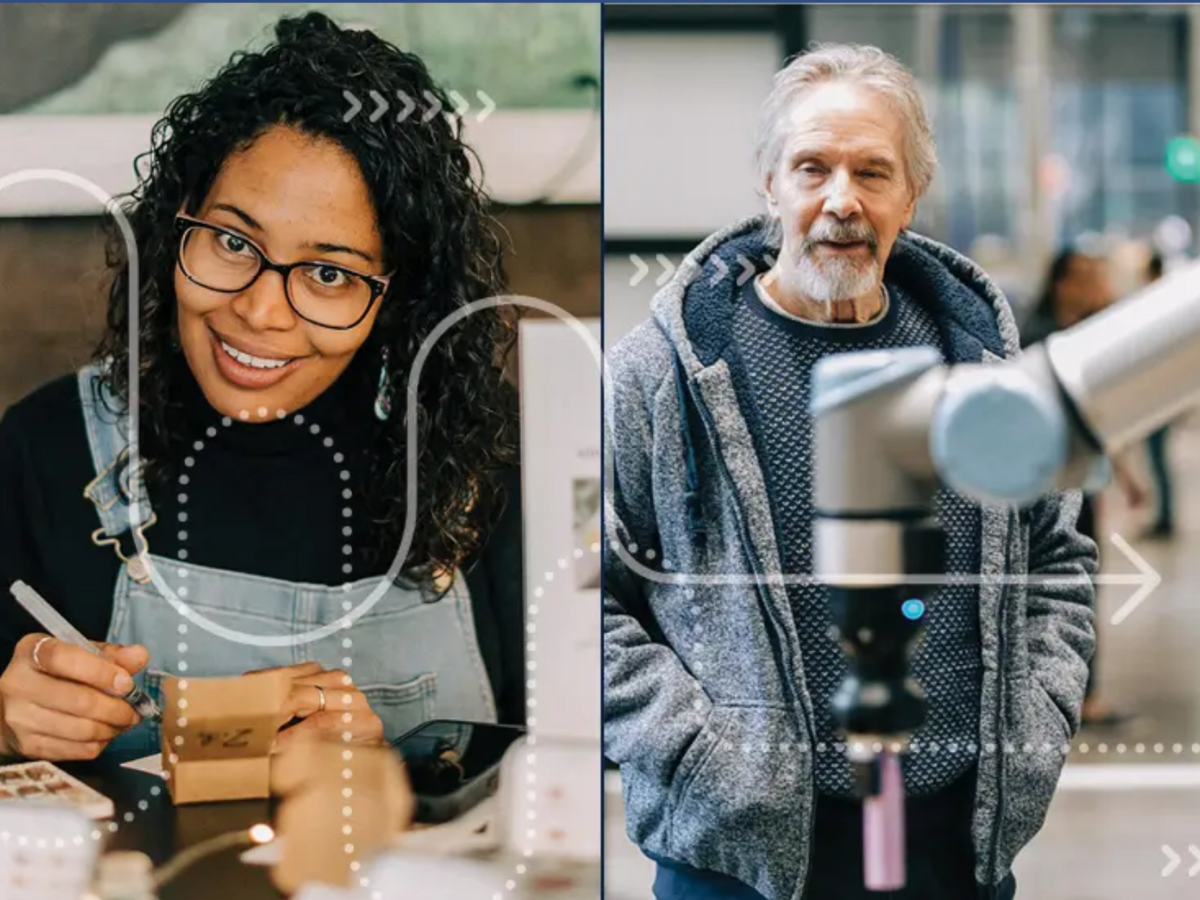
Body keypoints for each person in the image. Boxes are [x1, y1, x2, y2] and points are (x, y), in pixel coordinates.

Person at [604, 43, 1097, 900]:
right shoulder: (658, 375)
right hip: (734, 861)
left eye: (873, 172)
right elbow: (596, 594)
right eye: (812, 168)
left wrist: (1035, 725)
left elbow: (1058, 557)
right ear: (769, 184)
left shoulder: (980, 364)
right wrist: (703, 758)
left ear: (911, 196)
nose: (841, 200)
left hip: (953, 841)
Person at [0, 13, 524, 762]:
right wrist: (3, 720)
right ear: (174, 224)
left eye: (330, 273)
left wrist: (410, 766)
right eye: (233, 241)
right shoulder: (46, 448)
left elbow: (577, 764)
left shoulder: (482, 458)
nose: (258, 310)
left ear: (395, 298)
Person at [1021, 250, 1145, 727]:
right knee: (1065, 588)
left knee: (1083, 586)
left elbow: (1098, 420)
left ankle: (1081, 691)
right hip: (1046, 494)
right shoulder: (1040, 342)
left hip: (1076, 486)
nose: (1102, 285)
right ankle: (1074, 696)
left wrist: (1126, 478)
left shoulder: (1079, 337)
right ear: (1064, 285)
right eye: (1092, 277)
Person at [1143, 253, 1176, 539]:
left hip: (1155, 395)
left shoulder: (1154, 302)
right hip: (1162, 392)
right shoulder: (1166, 300)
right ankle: (1164, 515)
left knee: (1158, 458)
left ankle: (1165, 518)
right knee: (1158, 458)